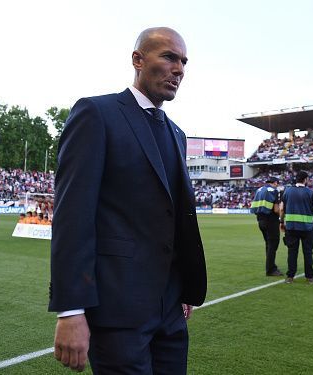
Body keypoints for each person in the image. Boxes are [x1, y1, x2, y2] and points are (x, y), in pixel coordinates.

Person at [48, 27, 207, 373]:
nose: (179, 68)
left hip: (170, 310)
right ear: (138, 59)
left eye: (183, 61)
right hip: (116, 310)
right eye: (168, 56)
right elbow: (73, 216)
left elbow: (172, 218)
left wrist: (183, 285)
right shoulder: (96, 114)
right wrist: (71, 310)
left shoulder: (176, 133)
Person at [280, 171, 313, 284]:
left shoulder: (287, 191)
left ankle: (290, 277)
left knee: (292, 252)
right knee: (308, 252)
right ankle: (310, 277)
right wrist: (312, 210)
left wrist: (281, 222)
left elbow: (281, 209)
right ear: (305, 180)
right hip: (307, 228)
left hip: (291, 227)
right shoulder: (310, 192)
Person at [250, 176, 283, 276]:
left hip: (260, 220)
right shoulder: (274, 191)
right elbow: (276, 210)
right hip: (271, 221)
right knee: (273, 244)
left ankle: (270, 265)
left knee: (268, 244)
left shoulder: (259, 190)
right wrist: (282, 218)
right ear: (275, 183)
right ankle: (271, 269)